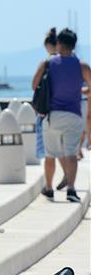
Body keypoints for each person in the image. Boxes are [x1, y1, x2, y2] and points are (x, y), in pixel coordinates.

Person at [33, 28, 91, 203]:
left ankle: (49, 188)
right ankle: (71, 190)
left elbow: (34, 85)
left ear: (58, 43)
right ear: (74, 45)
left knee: (50, 154)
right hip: (73, 114)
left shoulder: (48, 63)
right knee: (71, 154)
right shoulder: (82, 66)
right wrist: (81, 91)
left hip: (52, 115)